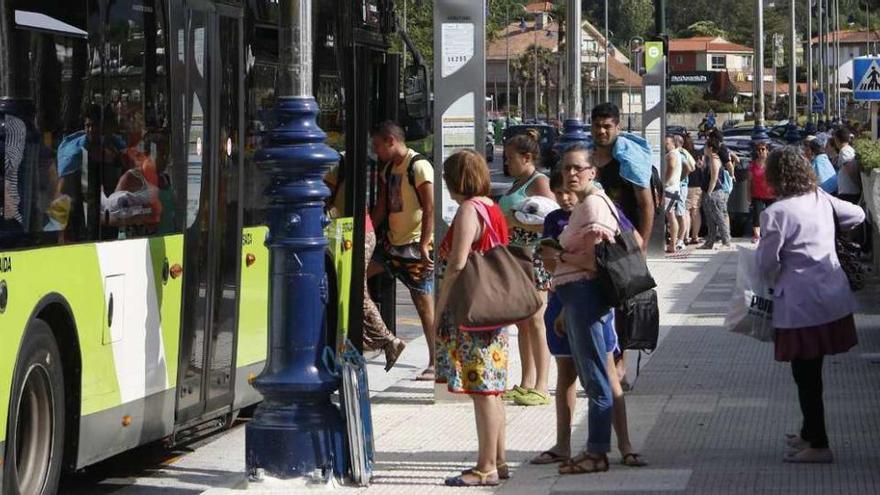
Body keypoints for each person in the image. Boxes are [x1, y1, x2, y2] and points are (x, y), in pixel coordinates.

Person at [532, 149, 646, 470]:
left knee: (597, 379)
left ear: (592, 173)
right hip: (576, 298)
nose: (571, 174)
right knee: (593, 376)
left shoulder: (594, 205)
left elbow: (596, 262)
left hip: (585, 296)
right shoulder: (587, 204)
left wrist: (559, 254)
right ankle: (594, 449)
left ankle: (597, 453)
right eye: (566, 168)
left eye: (578, 168)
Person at [756, 146, 864, 464]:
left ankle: (819, 443)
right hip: (831, 298)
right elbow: (857, 215)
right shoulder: (819, 198)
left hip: (800, 306)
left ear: (775, 176)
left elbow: (766, 265)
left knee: (806, 376)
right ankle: (807, 433)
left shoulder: (775, 213)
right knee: (811, 372)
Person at [435, 149, 509, 486]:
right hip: (494, 310)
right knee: (494, 390)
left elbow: (458, 263)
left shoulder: (468, 210)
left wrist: (440, 306)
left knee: (482, 391)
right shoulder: (491, 207)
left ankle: (485, 467)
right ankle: (500, 460)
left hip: (473, 311)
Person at [589, 102, 655, 385]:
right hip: (592, 243)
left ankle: (620, 366)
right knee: (595, 302)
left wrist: (642, 244)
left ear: (617, 127)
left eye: (608, 126)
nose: (602, 131)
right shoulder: (587, 159)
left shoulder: (628, 160)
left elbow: (646, 204)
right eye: (597, 126)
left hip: (623, 243)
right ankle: (600, 360)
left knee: (622, 306)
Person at [325, 159, 407, 371]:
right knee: (356, 289)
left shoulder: (336, 163)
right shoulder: (351, 160)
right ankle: (373, 339)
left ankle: (388, 340)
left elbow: (325, 196)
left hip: (353, 231)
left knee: (357, 291)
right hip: (358, 230)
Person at [368, 121, 435, 381]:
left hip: (415, 246)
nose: (376, 152)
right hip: (391, 244)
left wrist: (424, 243)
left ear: (390, 141)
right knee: (358, 277)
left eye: (377, 145)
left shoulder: (418, 166)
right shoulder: (388, 168)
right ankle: (385, 338)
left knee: (424, 304)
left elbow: (430, 206)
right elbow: (383, 206)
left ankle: (434, 361)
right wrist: (370, 233)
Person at [498, 129, 553, 407]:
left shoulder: (539, 181)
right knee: (522, 322)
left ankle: (542, 385)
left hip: (535, 259)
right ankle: (526, 381)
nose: (506, 162)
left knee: (536, 321)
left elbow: (552, 219)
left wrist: (515, 221)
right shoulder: (519, 181)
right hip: (515, 257)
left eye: (510, 157)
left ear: (527, 157)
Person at [699, 138, 731, 250]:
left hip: (715, 193)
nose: (704, 148)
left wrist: (709, 193)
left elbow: (714, 178)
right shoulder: (708, 159)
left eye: (705, 146)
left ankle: (726, 242)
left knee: (719, 217)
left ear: (710, 148)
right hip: (708, 191)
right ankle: (709, 242)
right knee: (709, 219)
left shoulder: (714, 160)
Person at [748, 141, 775, 243]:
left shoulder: (771, 164)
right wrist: (748, 194)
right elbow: (749, 181)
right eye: (758, 150)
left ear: (767, 151)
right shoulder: (753, 165)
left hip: (771, 194)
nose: (760, 151)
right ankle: (757, 236)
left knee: (771, 215)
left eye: (763, 149)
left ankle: (770, 234)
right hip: (757, 194)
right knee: (756, 216)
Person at [676, 134, 696, 251]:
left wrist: (681, 178)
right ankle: (682, 237)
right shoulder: (682, 152)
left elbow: (690, 167)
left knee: (681, 212)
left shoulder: (680, 153)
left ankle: (681, 239)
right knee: (681, 212)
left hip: (681, 186)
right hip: (681, 186)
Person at [663, 135, 682, 253]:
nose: (665, 145)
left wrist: (664, 182)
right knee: (671, 215)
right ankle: (672, 243)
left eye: (667, 143)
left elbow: (671, 166)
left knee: (670, 216)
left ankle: (672, 244)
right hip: (674, 188)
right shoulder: (677, 154)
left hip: (669, 188)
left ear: (673, 144)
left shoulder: (672, 154)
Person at [683, 133, 704, 245]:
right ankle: (695, 236)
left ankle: (685, 237)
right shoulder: (697, 154)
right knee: (696, 211)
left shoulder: (682, 154)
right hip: (698, 185)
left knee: (686, 211)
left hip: (686, 185)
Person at [831, 127, 860, 204]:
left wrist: (858, 184)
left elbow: (850, 170)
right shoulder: (849, 149)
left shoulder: (844, 151)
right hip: (850, 191)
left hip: (848, 192)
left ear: (837, 139)